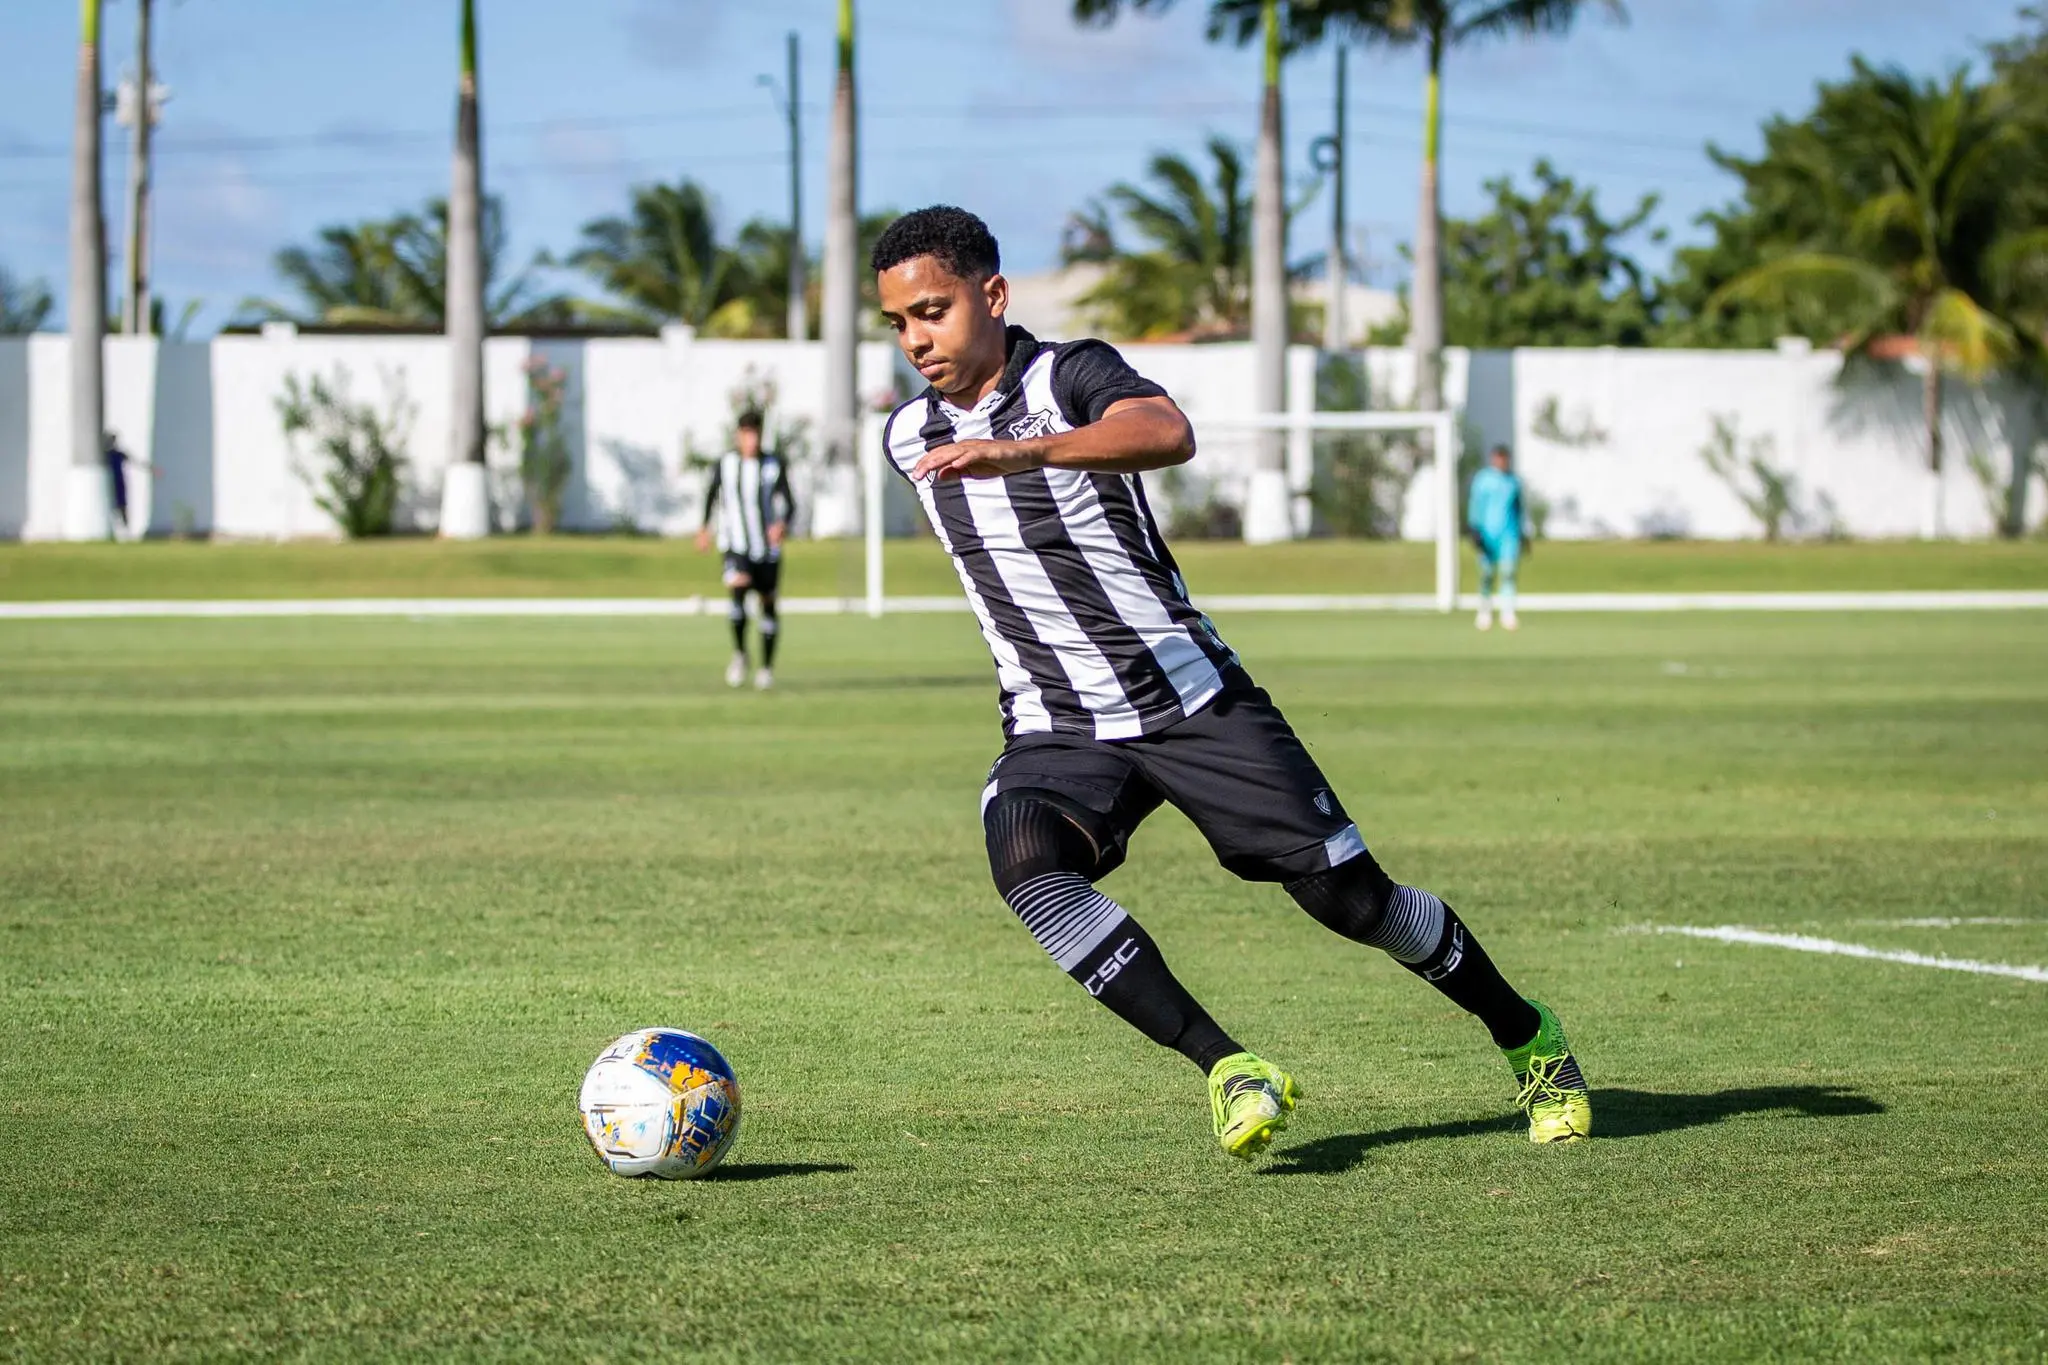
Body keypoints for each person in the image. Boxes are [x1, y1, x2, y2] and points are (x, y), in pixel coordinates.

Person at [873, 205, 1590, 1160]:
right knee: (1027, 862)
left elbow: (1165, 430)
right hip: (1058, 722)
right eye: (898, 323)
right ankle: (1229, 1066)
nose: (917, 340)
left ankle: (1526, 1035)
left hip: (1189, 697)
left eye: (934, 310)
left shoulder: (1069, 375)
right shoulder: (906, 435)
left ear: (993, 295)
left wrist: (1025, 450)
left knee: (1353, 904)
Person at [694, 411, 795, 690]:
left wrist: (782, 524)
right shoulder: (725, 464)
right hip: (735, 544)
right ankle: (739, 653)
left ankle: (766, 669)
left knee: (768, 604)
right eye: (746, 433)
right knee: (737, 589)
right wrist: (704, 528)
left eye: (755, 433)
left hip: (767, 549)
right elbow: (711, 495)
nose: (751, 439)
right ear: (739, 435)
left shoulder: (774, 464)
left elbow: (789, 501)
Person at [1466, 445, 1527, 632]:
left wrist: (1523, 534)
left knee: (1508, 572)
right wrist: (1474, 529)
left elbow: (1519, 508)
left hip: (1509, 534)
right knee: (1487, 574)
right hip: (1487, 534)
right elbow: (1476, 504)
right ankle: (1484, 611)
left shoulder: (1514, 481)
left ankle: (1507, 612)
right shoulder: (1483, 480)